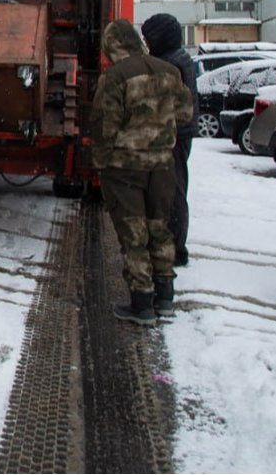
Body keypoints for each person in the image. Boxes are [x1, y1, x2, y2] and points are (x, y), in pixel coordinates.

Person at [91, 19, 194, 324]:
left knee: (134, 234)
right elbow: (185, 112)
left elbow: (104, 126)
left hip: (125, 169)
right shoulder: (170, 71)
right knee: (160, 229)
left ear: (112, 45)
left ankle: (142, 304)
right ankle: (165, 297)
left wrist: (101, 161)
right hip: (162, 165)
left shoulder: (114, 77)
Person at [141, 13, 199, 267]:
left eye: (148, 38)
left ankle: (174, 249)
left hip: (172, 136)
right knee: (173, 189)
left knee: (171, 192)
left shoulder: (171, 64)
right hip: (178, 134)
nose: (146, 43)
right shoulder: (178, 58)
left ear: (159, 37)